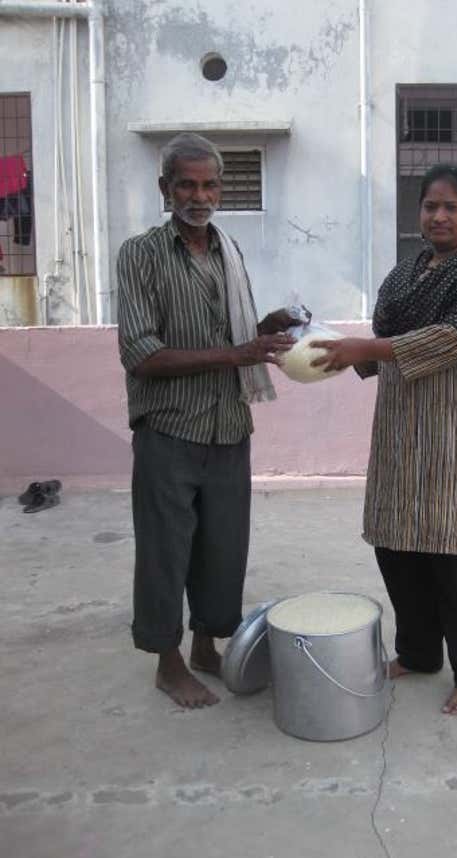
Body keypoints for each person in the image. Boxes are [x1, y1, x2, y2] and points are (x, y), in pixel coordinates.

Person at [311, 163, 457, 716]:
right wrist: (318, 350)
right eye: (430, 206)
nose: (438, 215)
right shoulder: (403, 276)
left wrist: (364, 350)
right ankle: (417, 652)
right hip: (400, 439)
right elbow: (382, 338)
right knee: (399, 549)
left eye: (452, 207)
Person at [117, 133, 299, 709]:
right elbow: (141, 354)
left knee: (223, 547)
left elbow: (234, 336)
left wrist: (265, 329)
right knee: (166, 551)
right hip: (168, 428)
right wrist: (236, 355)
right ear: (164, 188)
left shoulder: (228, 248)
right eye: (187, 185)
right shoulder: (140, 254)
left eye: (211, 184)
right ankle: (168, 664)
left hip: (228, 424)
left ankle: (204, 647)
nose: (200, 196)